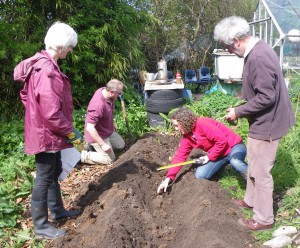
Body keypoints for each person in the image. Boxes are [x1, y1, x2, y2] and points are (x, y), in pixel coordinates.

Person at [214, 16, 295, 231]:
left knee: (261, 172)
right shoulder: (256, 50)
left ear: (236, 41)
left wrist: (239, 111)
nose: (229, 51)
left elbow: (266, 97)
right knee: (254, 163)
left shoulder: (258, 56)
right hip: (262, 119)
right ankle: (251, 201)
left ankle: (264, 219)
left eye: (228, 47)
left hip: (268, 122)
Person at [13, 22, 83, 239]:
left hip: (46, 130)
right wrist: (71, 131)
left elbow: (28, 97)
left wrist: (36, 114)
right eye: (70, 46)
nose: (71, 50)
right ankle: (42, 226)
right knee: (44, 177)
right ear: (61, 45)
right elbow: (51, 113)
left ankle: (58, 211)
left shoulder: (41, 65)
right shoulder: (47, 70)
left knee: (54, 171)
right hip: (47, 133)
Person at [157, 107, 248, 193]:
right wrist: (169, 178)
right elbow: (180, 157)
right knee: (200, 175)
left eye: (177, 125)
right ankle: (221, 167)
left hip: (233, 147)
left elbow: (222, 141)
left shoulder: (202, 123)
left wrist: (209, 157)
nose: (176, 129)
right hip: (219, 154)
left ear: (184, 122)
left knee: (235, 162)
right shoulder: (187, 137)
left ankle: (255, 180)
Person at [81, 79, 125, 164]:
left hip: (107, 130)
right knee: (110, 159)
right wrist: (103, 144)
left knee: (120, 145)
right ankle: (83, 155)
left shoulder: (104, 91)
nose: (120, 95)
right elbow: (90, 127)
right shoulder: (98, 105)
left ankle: (99, 148)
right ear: (111, 92)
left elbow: (107, 112)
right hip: (97, 135)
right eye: (119, 93)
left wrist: (112, 123)